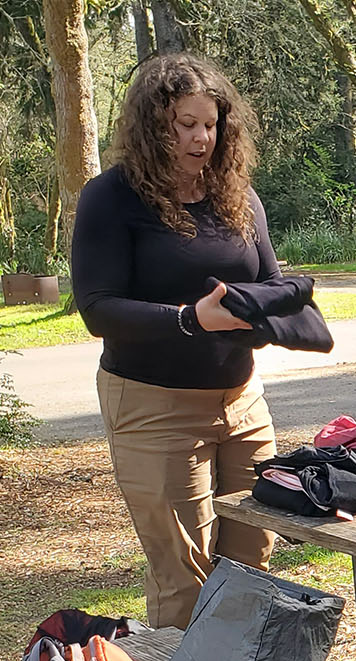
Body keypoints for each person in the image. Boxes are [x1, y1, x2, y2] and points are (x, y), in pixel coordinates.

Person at [71, 53, 283, 628]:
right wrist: (191, 318)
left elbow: (266, 281)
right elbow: (97, 308)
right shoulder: (110, 198)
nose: (201, 138)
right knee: (183, 576)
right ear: (151, 126)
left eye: (210, 124)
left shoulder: (236, 195)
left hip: (242, 403)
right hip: (153, 406)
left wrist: (284, 305)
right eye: (184, 125)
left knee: (252, 560)